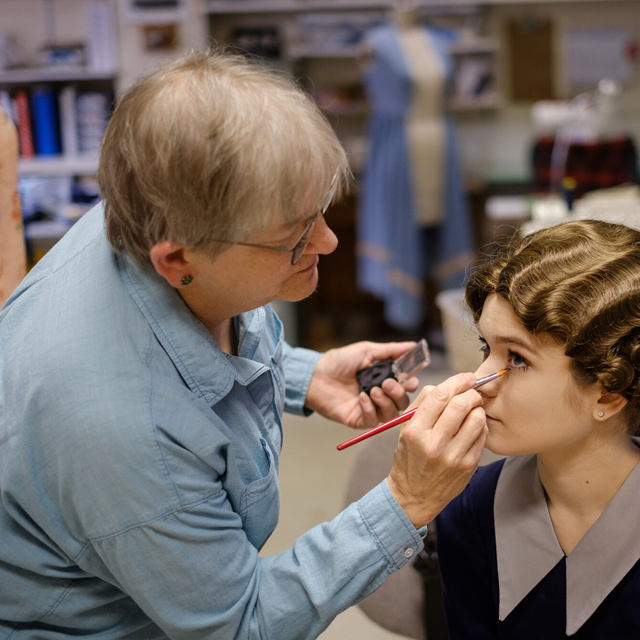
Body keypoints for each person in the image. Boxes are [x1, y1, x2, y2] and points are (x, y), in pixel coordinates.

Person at [0, 48, 488, 640]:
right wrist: (407, 499)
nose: (330, 243)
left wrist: (303, 374)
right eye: (296, 236)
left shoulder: (155, 199)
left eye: (320, 214)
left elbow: (187, 340)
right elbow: (240, 626)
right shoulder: (123, 431)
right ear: (178, 256)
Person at [436, 219, 640, 639]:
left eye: (517, 360)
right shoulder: (469, 508)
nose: (477, 380)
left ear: (608, 393)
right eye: (486, 349)